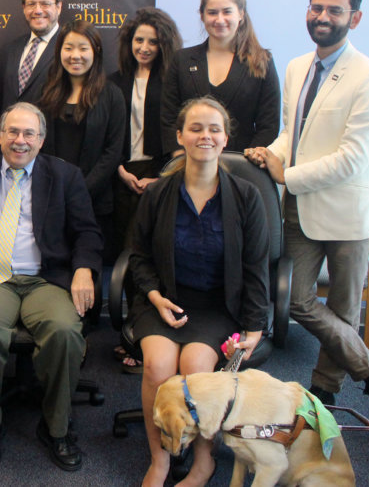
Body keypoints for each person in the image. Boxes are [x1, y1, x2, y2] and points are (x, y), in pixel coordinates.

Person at [245, 0, 369, 432]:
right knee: (296, 299)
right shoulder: (296, 66)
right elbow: (296, 132)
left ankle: (324, 391)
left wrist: (285, 174)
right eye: (315, 8)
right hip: (300, 211)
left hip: (349, 213)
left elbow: (354, 158)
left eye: (334, 10)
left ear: (355, 18)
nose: (322, 17)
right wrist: (272, 151)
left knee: (345, 309)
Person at [0, 102, 102, 472]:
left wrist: (83, 269)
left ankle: (56, 428)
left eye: (29, 133)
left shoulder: (66, 176)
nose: (20, 140)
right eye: (12, 131)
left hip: (46, 278)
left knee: (64, 331)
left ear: (41, 140)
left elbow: (87, 233)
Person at [129, 97, 269, 487]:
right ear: (180, 137)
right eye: (195, 128)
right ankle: (159, 459)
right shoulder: (158, 195)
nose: (204, 136)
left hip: (217, 306)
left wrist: (255, 326)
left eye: (213, 129)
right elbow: (138, 257)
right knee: (157, 367)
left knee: (195, 370)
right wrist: (154, 296)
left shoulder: (245, 197)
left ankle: (203, 462)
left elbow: (257, 266)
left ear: (225, 139)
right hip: (165, 299)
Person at [109, 7, 182, 373]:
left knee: (151, 254)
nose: (145, 47)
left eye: (153, 41)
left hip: (163, 173)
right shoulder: (116, 80)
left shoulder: (174, 78)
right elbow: (108, 133)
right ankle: (130, 331)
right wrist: (119, 170)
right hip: (123, 174)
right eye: (139, 39)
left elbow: (180, 136)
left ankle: (147, 334)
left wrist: (163, 176)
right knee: (126, 252)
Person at [38, 21, 125, 262]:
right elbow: (39, 144)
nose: (75, 55)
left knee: (89, 271)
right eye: (68, 48)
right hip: (52, 198)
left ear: (95, 52)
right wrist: (59, 191)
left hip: (95, 202)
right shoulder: (47, 92)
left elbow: (113, 151)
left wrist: (79, 190)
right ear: (59, 52)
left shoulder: (111, 94)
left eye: (83, 48)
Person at [161, 0, 280, 155]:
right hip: (190, 165)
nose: (219, 19)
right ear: (202, 16)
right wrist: (179, 157)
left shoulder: (262, 61)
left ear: (241, 14)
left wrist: (250, 160)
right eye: (212, 12)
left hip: (243, 167)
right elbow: (169, 118)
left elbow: (269, 125)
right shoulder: (181, 60)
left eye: (227, 11)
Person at [0, 0, 63, 120]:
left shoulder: (69, 49)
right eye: (31, 4)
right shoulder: (11, 50)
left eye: (45, 4)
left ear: (58, 7)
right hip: (11, 139)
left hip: (49, 139)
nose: (37, 10)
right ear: (24, 8)